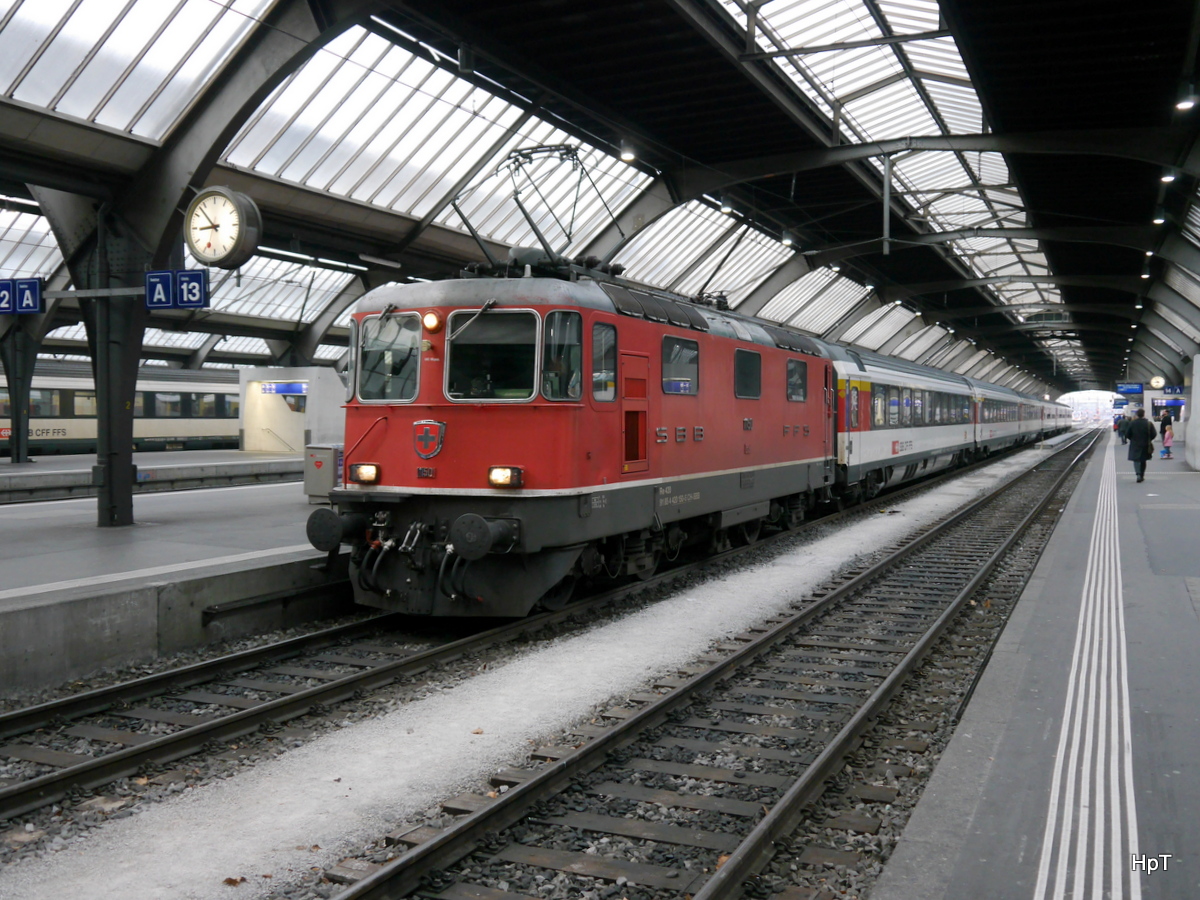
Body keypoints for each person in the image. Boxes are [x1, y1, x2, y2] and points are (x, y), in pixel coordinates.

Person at [1127, 408, 1157, 482]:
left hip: (1135, 444)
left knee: (1136, 460)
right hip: (1145, 444)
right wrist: (1149, 440)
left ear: (1137, 414)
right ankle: (1142, 474)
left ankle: (1138, 474)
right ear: (1144, 414)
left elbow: (1127, 434)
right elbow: (1154, 434)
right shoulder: (1148, 423)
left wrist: (1132, 439)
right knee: (1143, 460)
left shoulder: (1132, 423)